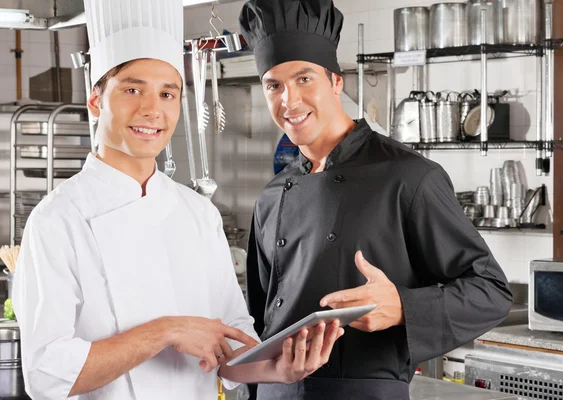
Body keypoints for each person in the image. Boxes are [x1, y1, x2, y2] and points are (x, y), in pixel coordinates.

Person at [12, 0, 343, 399]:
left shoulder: (197, 212)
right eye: (132, 89)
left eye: (168, 94)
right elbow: (45, 374)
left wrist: (278, 367)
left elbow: (232, 339)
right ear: (96, 100)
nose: (152, 109)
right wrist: (164, 331)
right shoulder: (58, 220)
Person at [239, 0, 514, 399]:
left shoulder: (408, 177)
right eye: (274, 85)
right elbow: (257, 322)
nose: (289, 101)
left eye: (304, 79)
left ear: (336, 81)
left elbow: (490, 291)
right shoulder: (271, 196)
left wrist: (403, 305)